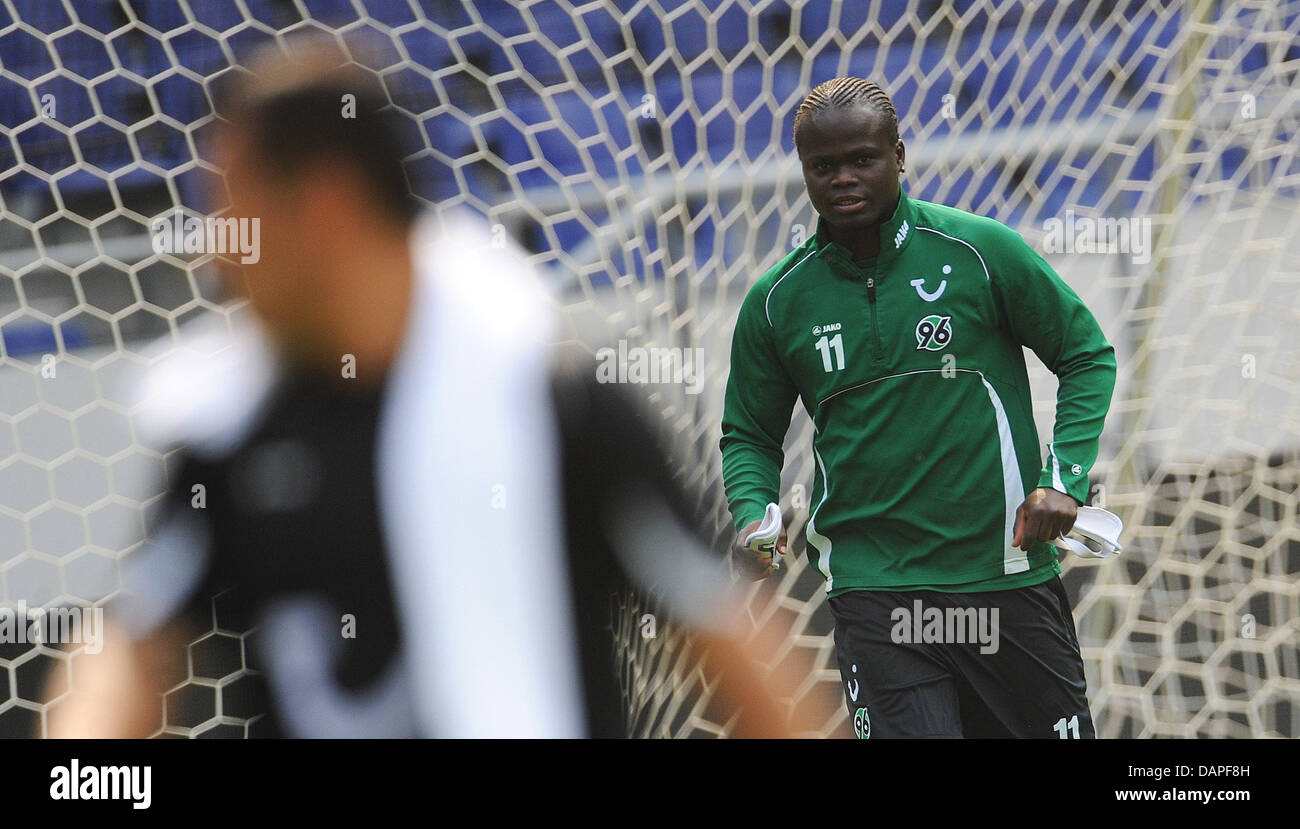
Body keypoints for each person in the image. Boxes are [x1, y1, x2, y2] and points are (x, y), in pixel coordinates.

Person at [47, 37, 791, 739]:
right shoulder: (228, 431)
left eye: (232, 212)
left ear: (325, 208)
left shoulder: (555, 401)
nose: (215, 253)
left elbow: (722, 633)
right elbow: (130, 643)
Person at [719, 77, 1117, 739]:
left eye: (862, 159)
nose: (842, 177)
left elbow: (1086, 352)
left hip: (1004, 577)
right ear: (803, 171)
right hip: (876, 595)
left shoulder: (981, 252)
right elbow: (749, 433)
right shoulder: (774, 301)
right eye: (823, 166)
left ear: (898, 155)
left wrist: (1063, 480)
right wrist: (753, 507)